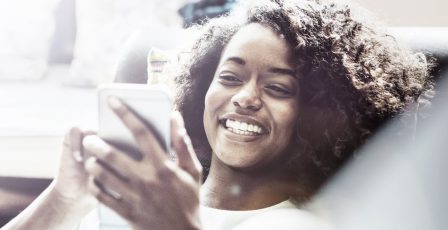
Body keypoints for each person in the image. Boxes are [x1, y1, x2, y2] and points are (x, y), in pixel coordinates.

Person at [3, 0, 433, 229]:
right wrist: (65, 200)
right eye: (230, 77)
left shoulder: (298, 224)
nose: (245, 98)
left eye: (278, 87)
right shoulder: (136, 195)